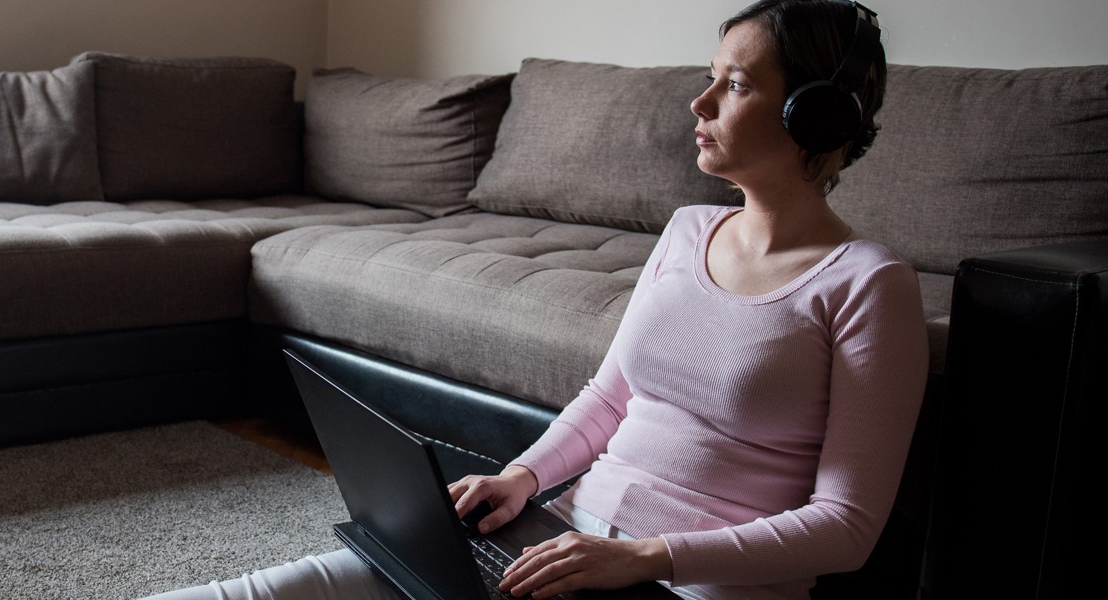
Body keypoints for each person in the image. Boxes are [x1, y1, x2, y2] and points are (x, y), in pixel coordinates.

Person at [144, 1, 925, 598]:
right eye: (710, 76)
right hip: (562, 547)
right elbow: (611, 394)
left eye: (737, 85)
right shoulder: (690, 230)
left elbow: (846, 528)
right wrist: (521, 478)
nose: (701, 102)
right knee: (291, 587)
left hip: (689, 584)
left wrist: (643, 557)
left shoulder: (866, 285)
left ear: (812, 117)